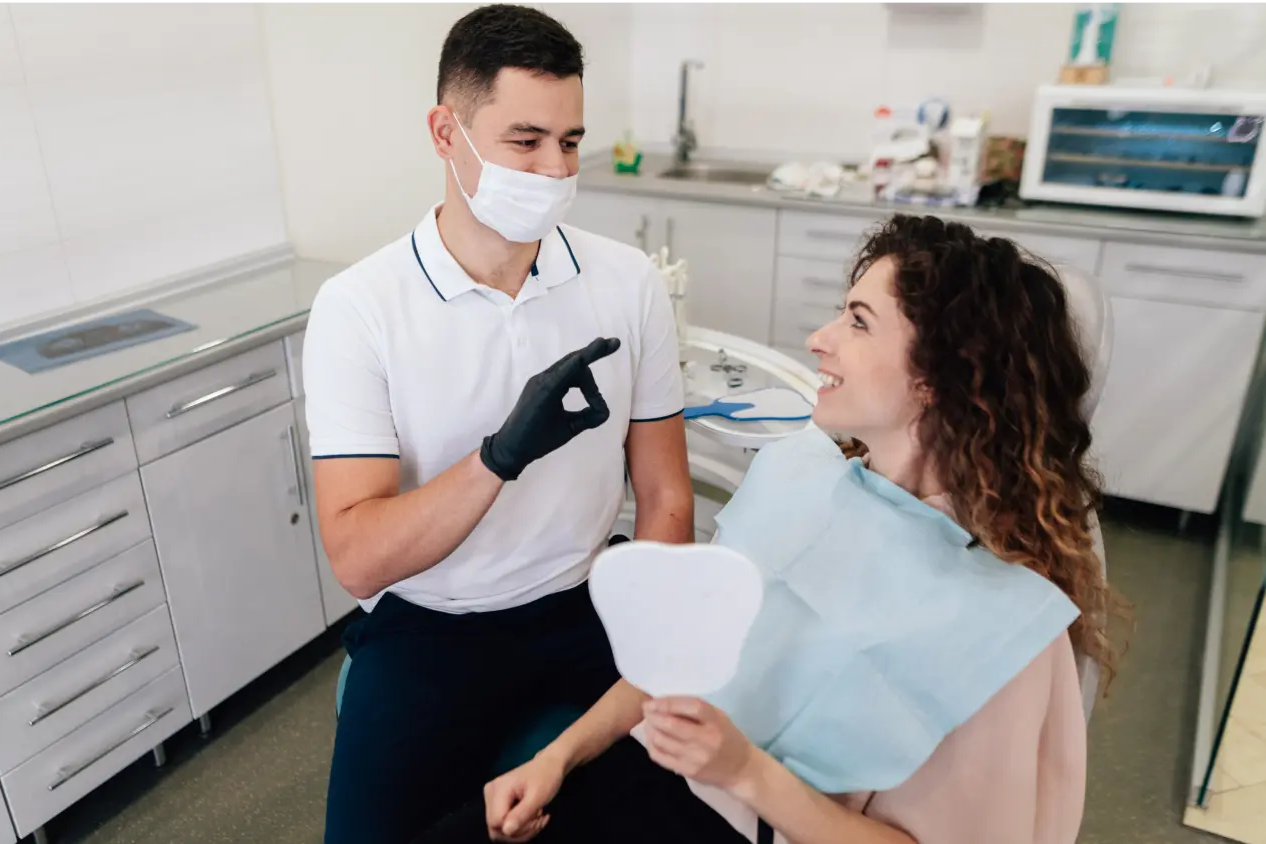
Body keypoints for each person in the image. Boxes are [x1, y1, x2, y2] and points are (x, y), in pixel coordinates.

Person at [413, 214, 1127, 844]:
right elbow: (672, 663)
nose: (819, 340)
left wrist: (743, 771)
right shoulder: (799, 479)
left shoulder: (1002, 631)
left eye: (856, 321)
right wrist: (556, 761)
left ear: (937, 377)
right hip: (647, 775)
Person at [303, 6, 694, 843]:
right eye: (525, 141)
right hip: (431, 628)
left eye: (570, 141)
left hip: (584, 606)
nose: (554, 169)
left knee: (681, 815)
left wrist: (652, 638)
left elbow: (665, 497)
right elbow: (357, 557)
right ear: (447, 131)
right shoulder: (360, 310)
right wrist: (499, 458)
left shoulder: (625, 283)